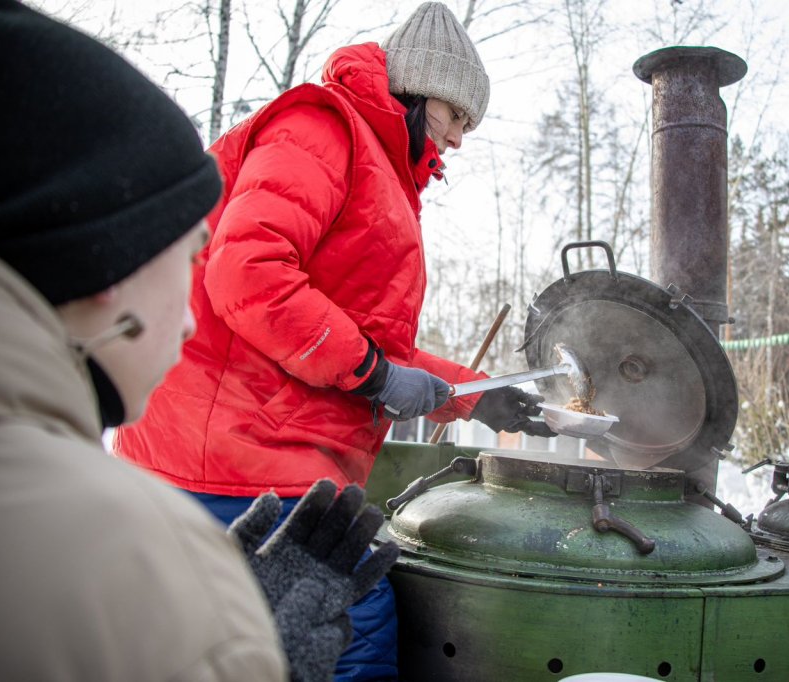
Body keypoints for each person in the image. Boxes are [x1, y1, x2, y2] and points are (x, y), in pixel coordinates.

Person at [113, 3, 554, 678]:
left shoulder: (379, 168)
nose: (460, 139)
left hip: (266, 450)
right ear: (417, 88)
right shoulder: (322, 127)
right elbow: (249, 273)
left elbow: (360, 337)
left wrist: (474, 397)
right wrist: (375, 376)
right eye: (456, 116)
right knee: (355, 632)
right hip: (233, 454)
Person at [0, 1, 397, 680]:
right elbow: (255, 275)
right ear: (107, 263)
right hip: (247, 465)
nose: (188, 318)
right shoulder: (130, 557)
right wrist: (233, 646)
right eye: (187, 258)